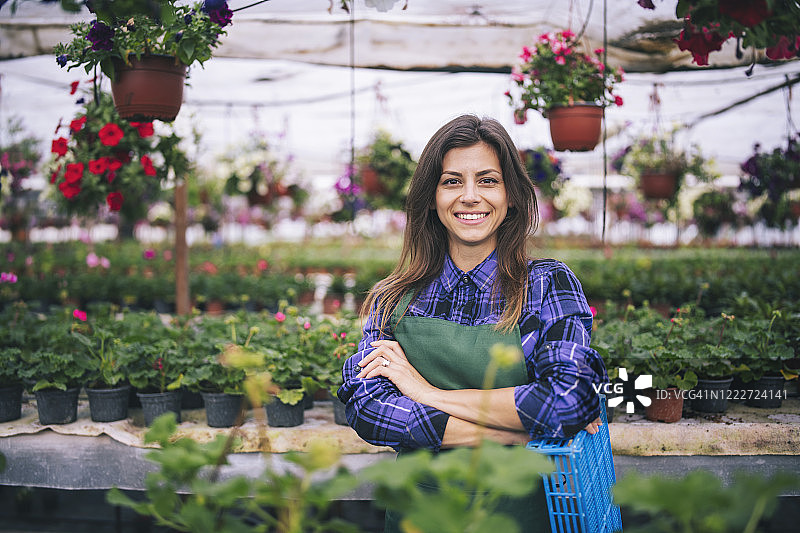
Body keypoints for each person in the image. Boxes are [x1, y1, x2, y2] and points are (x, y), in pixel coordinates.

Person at [337, 114, 608, 531]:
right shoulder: (392, 298)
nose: (469, 196)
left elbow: (566, 401)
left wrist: (426, 392)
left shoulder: (545, 285)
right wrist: (515, 434)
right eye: (451, 181)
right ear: (431, 197)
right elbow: (368, 409)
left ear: (511, 195)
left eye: (487, 180)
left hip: (520, 518)